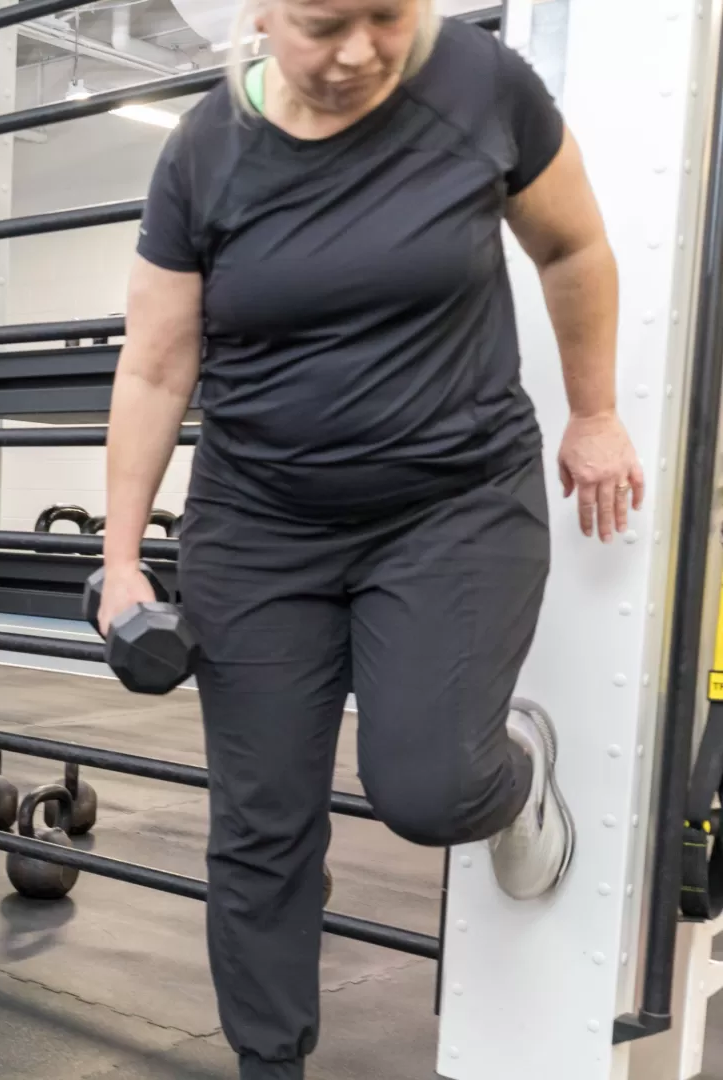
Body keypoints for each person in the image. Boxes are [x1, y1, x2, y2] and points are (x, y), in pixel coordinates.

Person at [95, 4, 643, 1078]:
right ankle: (270, 1064)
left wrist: (594, 411)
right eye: (324, 23)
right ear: (261, 11)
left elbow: (574, 245)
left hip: (452, 506)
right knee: (261, 828)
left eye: (388, 16)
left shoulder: (486, 90)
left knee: (430, 789)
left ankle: (512, 772)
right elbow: (156, 366)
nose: (357, 52)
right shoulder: (204, 153)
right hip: (258, 526)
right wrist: (118, 562)